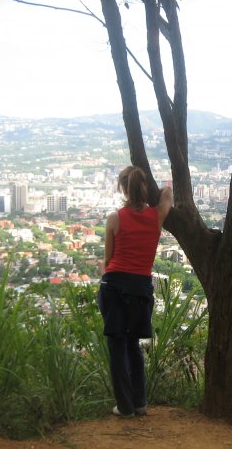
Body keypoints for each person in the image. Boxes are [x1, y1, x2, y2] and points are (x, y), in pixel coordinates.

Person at [98, 165, 173, 418]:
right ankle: (140, 403)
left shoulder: (115, 218)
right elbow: (167, 195)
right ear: (144, 188)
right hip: (140, 287)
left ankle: (125, 406)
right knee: (133, 344)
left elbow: (108, 260)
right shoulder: (157, 216)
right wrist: (156, 190)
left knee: (116, 345)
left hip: (114, 285)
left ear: (122, 187)